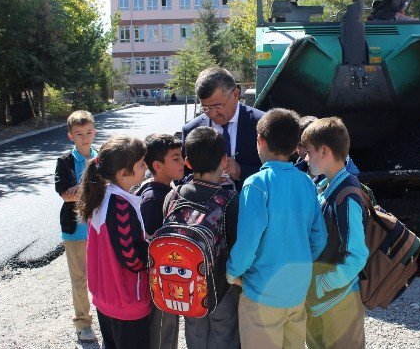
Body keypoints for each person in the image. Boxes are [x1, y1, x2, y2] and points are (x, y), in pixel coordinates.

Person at [226, 109, 327, 349]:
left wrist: (232, 271)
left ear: (260, 141)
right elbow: (319, 238)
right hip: (297, 290)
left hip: (262, 292)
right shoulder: (306, 182)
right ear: (295, 147)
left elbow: (249, 241)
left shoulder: (256, 184)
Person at [168, 126, 240, 349]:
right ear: (224, 160)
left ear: (187, 162)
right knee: (224, 335)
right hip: (221, 287)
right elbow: (236, 244)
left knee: (195, 334)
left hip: (187, 284)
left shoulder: (174, 196)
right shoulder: (230, 199)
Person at [301, 117, 369, 349]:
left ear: (324, 151)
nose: (306, 158)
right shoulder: (329, 187)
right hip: (324, 301)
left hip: (340, 302)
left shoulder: (347, 195)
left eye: (309, 152)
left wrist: (322, 284)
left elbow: (357, 255)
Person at [78, 135, 151, 349]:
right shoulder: (120, 206)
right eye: (141, 164)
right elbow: (131, 257)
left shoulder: (102, 195)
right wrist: (153, 253)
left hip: (107, 297)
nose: (146, 167)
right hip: (126, 300)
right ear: (123, 173)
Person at [135, 134, 185, 349]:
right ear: (157, 165)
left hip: (169, 282)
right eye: (175, 158)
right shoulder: (154, 200)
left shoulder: (165, 190)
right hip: (162, 285)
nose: (183, 162)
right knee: (163, 332)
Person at [182, 67, 264, 191]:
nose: (212, 113)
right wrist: (205, 178)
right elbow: (181, 176)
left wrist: (242, 171)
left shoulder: (261, 124)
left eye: (217, 106)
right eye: (205, 107)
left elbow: (279, 171)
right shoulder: (191, 130)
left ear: (235, 94)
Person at [53, 110, 97, 343]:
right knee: (80, 279)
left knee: (101, 276)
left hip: (100, 229)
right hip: (76, 231)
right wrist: (93, 191)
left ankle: (107, 316)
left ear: (94, 132)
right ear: (71, 136)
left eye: (89, 132)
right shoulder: (64, 162)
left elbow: (110, 187)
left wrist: (80, 192)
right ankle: (83, 323)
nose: (85, 138)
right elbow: (65, 195)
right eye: (79, 134)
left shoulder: (101, 158)